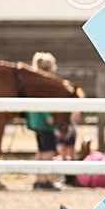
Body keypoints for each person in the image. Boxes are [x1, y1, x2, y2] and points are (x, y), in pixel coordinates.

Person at [27, 52, 62, 190]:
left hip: (35, 121)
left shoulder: (33, 82)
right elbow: (45, 101)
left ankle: (39, 179)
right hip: (44, 122)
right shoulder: (45, 84)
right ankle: (47, 179)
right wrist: (50, 118)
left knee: (42, 151)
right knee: (49, 151)